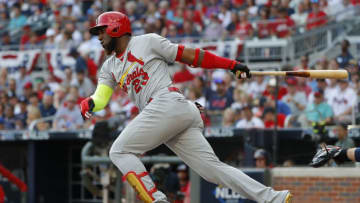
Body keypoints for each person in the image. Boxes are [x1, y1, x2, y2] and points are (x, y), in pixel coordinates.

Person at [80, 11, 292, 203]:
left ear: (116, 28)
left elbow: (192, 56)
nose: (98, 37)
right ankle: (274, 198)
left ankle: (156, 200)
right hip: (172, 112)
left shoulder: (147, 42)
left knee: (118, 151)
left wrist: (230, 64)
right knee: (212, 170)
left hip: (166, 102)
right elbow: (101, 96)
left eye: (101, 31)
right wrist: (90, 102)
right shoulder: (108, 67)